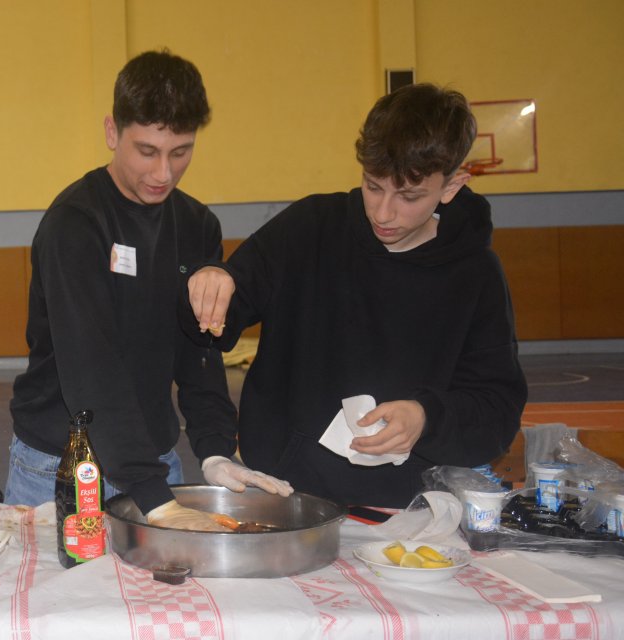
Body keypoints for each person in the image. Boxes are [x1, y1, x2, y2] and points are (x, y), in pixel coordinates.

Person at [187, 84, 527, 508]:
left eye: (409, 196)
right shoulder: (308, 229)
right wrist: (207, 280)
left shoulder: (476, 274)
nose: (383, 213)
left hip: (407, 507)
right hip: (286, 495)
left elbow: (496, 409)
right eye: (373, 185)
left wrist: (426, 417)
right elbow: (216, 320)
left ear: (452, 186)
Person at [7, 50, 292, 532]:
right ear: (112, 132)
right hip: (63, 464)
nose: (164, 173)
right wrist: (154, 498)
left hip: (155, 461)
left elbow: (199, 350)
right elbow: (91, 370)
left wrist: (216, 448)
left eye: (180, 152)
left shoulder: (198, 223)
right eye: (147, 151)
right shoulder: (75, 225)